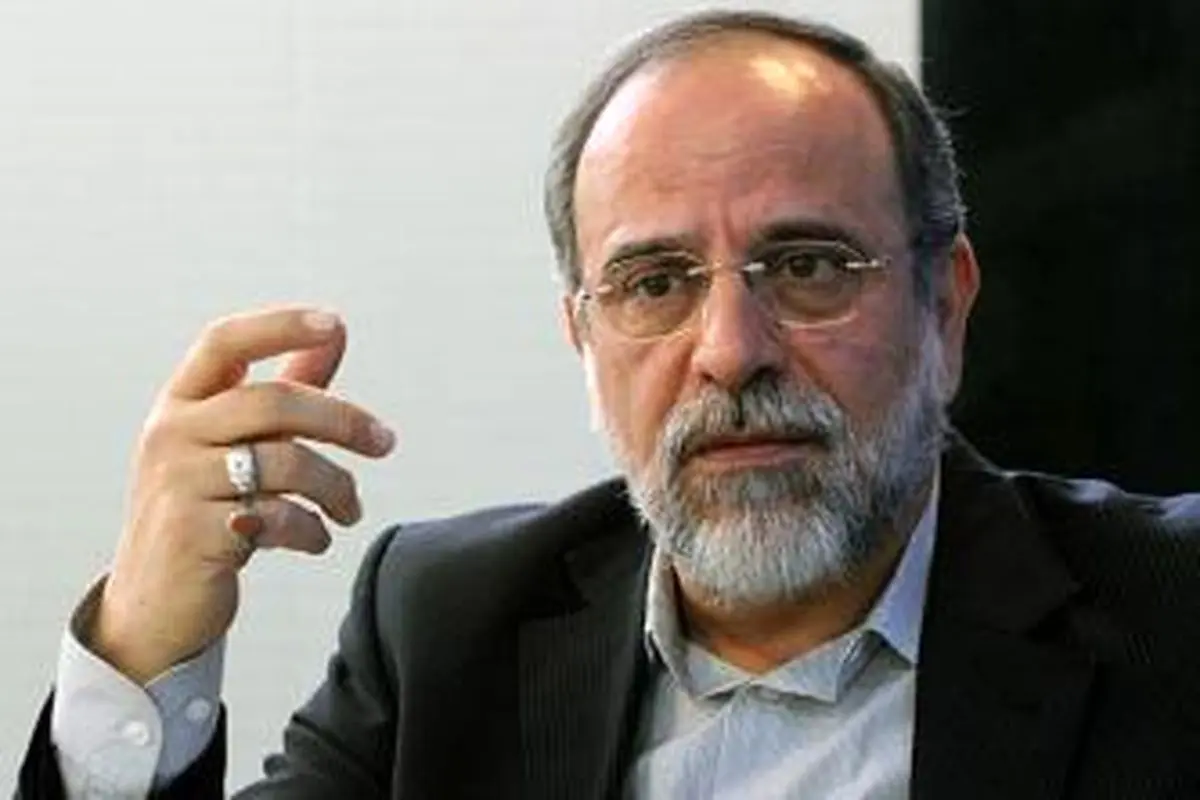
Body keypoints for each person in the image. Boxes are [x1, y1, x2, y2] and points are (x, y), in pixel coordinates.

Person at [16, 9, 1200, 799]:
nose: (730, 352)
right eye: (654, 282)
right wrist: (146, 644)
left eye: (808, 266)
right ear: (582, 337)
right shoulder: (448, 628)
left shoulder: (1171, 617)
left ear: (944, 306)